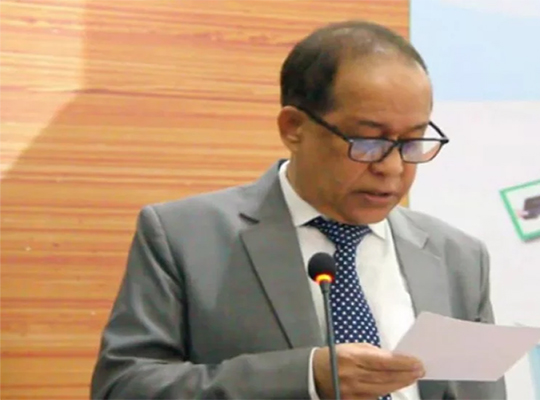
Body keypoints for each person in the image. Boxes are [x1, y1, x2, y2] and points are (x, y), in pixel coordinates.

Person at [90, 20, 506, 400]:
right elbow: (123, 387)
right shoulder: (184, 237)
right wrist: (306, 377)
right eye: (368, 141)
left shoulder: (458, 257)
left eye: (412, 142)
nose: (393, 168)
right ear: (294, 128)